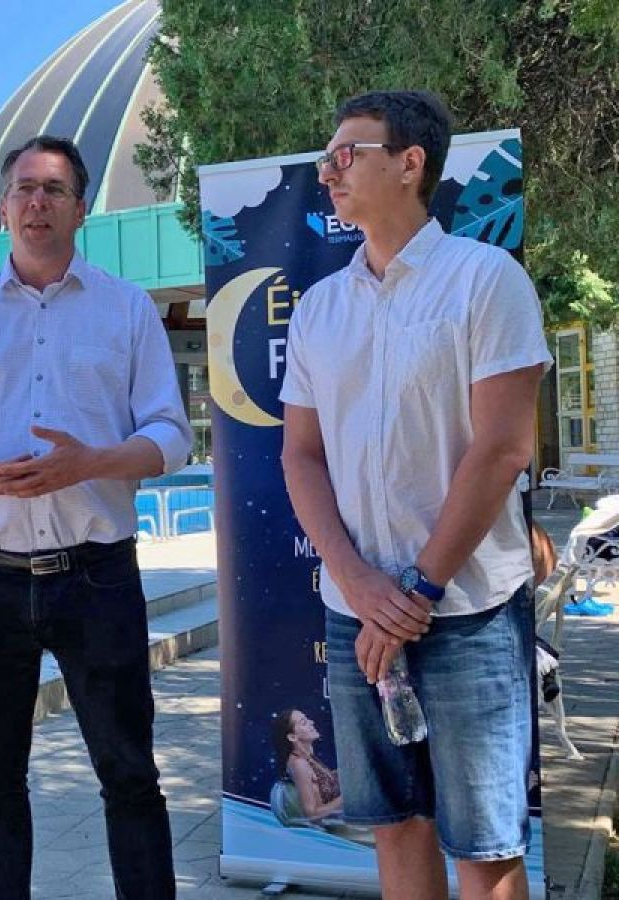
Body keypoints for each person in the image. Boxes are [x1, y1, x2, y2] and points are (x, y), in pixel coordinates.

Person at [0, 134, 191, 899]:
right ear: (3, 208)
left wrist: (91, 461)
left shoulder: (126, 309)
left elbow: (171, 434)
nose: (37, 202)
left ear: (81, 209)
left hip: (97, 576)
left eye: (54, 189)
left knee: (129, 773)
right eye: (24, 188)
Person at [280, 91, 550, 899]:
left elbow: (503, 448)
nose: (328, 172)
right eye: (325, 158)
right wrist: (362, 586)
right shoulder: (320, 308)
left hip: (469, 611)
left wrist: (418, 590)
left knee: (485, 847)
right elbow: (301, 457)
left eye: (346, 154)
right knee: (395, 825)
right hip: (356, 613)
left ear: (410, 163)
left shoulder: (485, 280)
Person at [272, 709, 342, 820]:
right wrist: (347, 799)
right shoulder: (299, 764)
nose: (311, 722)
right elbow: (311, 814)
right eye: (304, 722)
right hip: (331, 824)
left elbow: (321, 780)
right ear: (292, 737)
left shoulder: (308, 757)